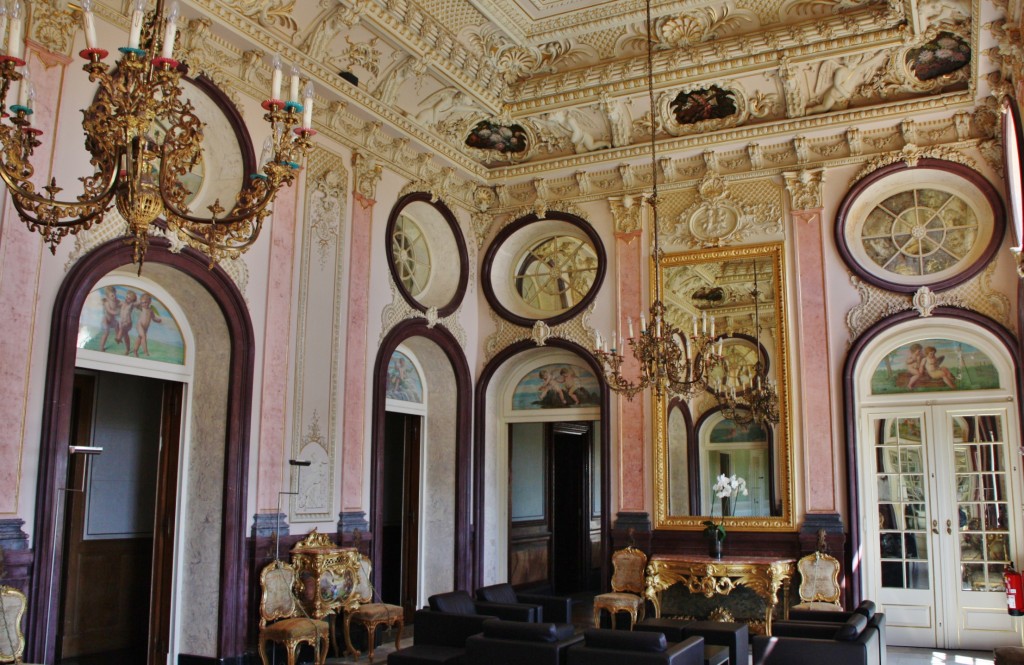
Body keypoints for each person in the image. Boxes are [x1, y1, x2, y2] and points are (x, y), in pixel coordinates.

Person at [132, 293, 163, 357]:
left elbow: (153, 318)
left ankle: (135, 350)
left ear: (149, 302)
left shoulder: (150, 310)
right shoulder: (142, 308)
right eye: (143, 303)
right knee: (143, 337)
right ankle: (146, 352)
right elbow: (134, 305)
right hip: (140, 325)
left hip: (145, 328)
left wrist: (158, 320)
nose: (144, 304)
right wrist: (139, 302)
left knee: (139, 338)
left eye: (146, 302)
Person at [115, 290, 138, 355]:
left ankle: (118, 338)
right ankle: (127, 349)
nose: (127, 299)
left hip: (128, 323)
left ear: (132, 300)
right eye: (127, 297)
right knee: (125, 335)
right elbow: (117, 304)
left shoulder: (131, 305)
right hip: (122, 322)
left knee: (122, 328)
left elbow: (137, 303)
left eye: (129, 298)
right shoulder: (122, 303)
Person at [99, 286, 120, 352]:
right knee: (106, 333)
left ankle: (117, 337)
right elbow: (109, 311)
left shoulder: (116, 301)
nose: (114, 297)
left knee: (117, 324)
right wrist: (116, 312)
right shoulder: (107, 303)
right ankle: (102, 347)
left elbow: (121, 304)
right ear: (107, 296)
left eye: (115, 295)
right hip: (106, 320)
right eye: (112, 296)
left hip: (112, 320)